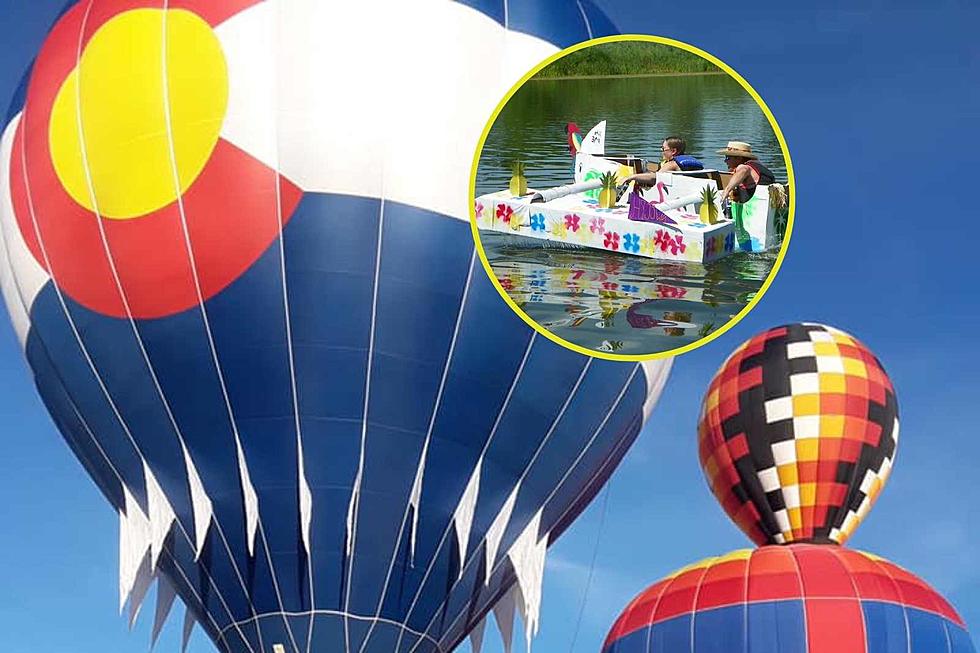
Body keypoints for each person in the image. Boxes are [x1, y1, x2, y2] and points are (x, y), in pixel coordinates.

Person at [622, 136, 703, 186]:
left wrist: (632, 177)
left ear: (673, 151)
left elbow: (655, 178)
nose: (662, 152)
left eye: (663, 149)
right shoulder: (690, 162)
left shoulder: (671, 164)